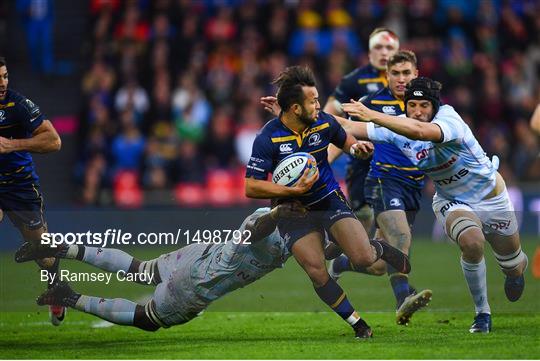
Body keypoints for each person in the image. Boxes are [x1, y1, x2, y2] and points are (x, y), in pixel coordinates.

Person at [341, 77, 528, 333]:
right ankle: (482, 313)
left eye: (424, 106)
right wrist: (306, 118)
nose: (418, 112)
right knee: (472, 243)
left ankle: (514, 273)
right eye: (412, 105)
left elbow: (420, 132)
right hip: (452, 200)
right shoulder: (399, 128)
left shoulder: (449, 119)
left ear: (435, 107)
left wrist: (370, 114)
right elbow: (346, 127)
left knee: (513, 263)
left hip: (490, 198)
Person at [247, 66, 411, 338]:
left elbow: (346, 141)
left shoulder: (324, 122)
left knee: (363, 258)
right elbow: (250, 186)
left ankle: (379, 248)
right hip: (292, 211)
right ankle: (358, 325)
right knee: (316, 271)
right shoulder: (268, 138)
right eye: (312, 101)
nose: (318, 105)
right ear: (296, 108)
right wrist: (289, 190)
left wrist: (357, 148)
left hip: (327, 199)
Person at [23, 203, 308, 331]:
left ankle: (65, 248)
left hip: (199, 253)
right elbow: (258, 231)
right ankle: (68, 297)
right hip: (199, 283)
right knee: (148, 319)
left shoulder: (265, 216)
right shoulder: (280, 235)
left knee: (140, 269)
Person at [327, 51, 432, 326]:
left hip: (413, 186)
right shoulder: (371, 103)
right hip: (384, 180)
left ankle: (341, 262)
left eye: (406, 73)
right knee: (400, 236)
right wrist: (323, 162)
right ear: (387, 75)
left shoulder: (426, 104)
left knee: (378, 264)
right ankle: (403, 301)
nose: (400, 79)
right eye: (395, 73)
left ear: (416, 74)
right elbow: (344, 133)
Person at [0, 56, 64, 325]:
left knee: (44, 254)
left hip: (20, 185)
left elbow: (54, 140)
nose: (2, 83)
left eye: (4, 76)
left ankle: (57, 288)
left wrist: (12, 145)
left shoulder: (18, 105)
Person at [324, 27, 400, 230]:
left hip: (396, 160)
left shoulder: (405, 83)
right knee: (363, 217)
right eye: (378, 47)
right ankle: (345, 259)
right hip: (363, 159)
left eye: (389, 47)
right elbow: (328, 115)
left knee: (395, 224)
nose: (384, 52)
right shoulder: (354, 80)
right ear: (369, 52)